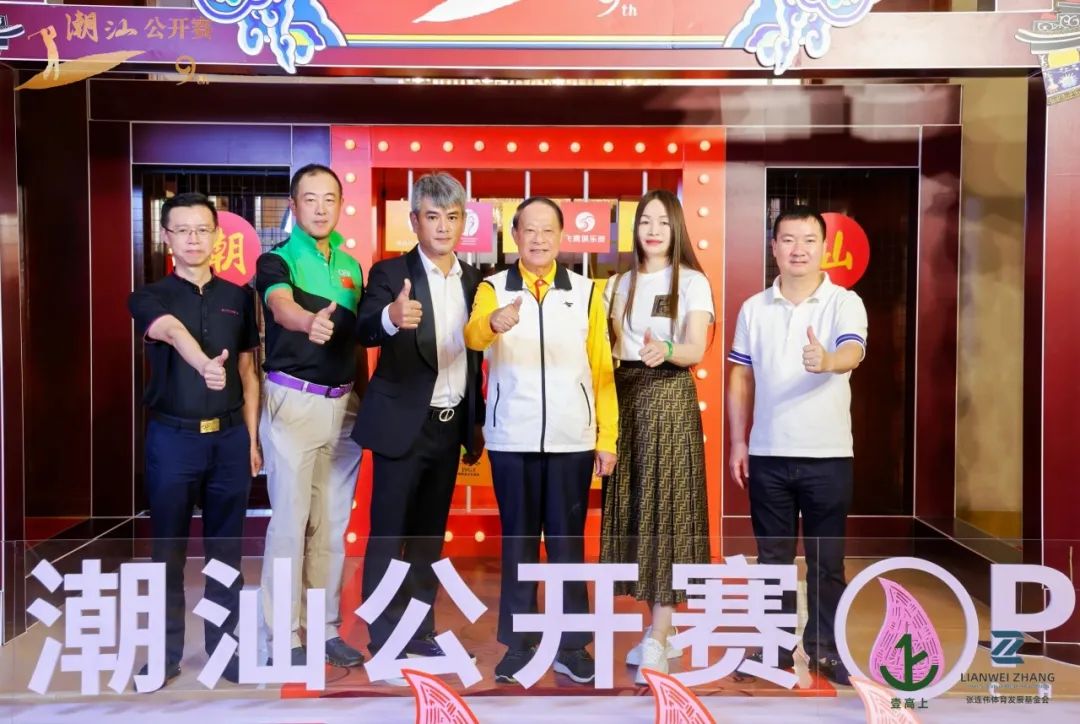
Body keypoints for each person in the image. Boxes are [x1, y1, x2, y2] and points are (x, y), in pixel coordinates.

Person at [464, 197, 618, 686]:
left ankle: (572, 645)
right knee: (519, 542)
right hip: (513, 436)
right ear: (514, 235)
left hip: (573, 439)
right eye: (529, 230)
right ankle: (520, 644)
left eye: (548, 230)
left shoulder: (586, 292)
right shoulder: (492, 288)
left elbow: (601, 368)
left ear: (561, 236)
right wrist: (492, 323)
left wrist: (607, 437)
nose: (538, 239)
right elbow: (472, 337)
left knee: (568, 543)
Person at [726, 205, 868, 685]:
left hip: (828, 455)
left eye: (809, 240)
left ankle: (826, 649)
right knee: (772, 562)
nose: (798, 249)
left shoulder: (844, 302)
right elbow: (740, 376)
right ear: (774, 248)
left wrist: (827, 360)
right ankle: (774, 649)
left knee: (827, 563)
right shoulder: (754, 308)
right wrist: (738, 442)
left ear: (824, 247)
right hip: (768, 454)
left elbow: (853, 351)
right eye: (788, 240)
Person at [352, 173, 485, 675]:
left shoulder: (476, 280)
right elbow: (364, 329)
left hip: (449, 427)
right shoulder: (390, 273)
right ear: (414, 220)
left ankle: (420, 630)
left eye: (452, 217)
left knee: (429, 538)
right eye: (432, 217)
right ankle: (384, 640)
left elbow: (477, 355)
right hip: (401, 426)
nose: (443, 227)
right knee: (389, 534)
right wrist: (391, 316)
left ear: (463, 221)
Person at [128, 192, 261, 688]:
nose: (192, 239)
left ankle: (225, 651)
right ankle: (165, 656)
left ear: (217, 236)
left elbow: (247, 373)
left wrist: (251, 439)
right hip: (172, 440)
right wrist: (203, 363)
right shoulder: (150, 296)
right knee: (167, 552)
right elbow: (169, 331)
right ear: (166, 237)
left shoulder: (239, 297)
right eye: (182, 230)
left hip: (228, 440)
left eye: (202, 229)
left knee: (226, 553)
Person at [600, 189, 713, 684]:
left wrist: (665, 349)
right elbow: (604, 347)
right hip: (623, 398)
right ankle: (658, 630)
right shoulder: (617, 283)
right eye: (646, 220)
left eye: (663, 222)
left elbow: (695, 349)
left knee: (667, 512)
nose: (653, 230)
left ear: (677, 229)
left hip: (668, 395)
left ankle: (660, 634)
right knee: (638, 511)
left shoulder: (692, 281)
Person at [256, 163, 365, 668]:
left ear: (340, 204)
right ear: (293, 206)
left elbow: (358, 343)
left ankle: (323, 628)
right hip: (293, 402)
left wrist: (364, 403)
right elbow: (281, 307)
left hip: (345, 408)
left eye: (329, 199)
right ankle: (284, 636)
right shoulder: (277, 260)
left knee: (331, 525)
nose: (321, 209)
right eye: (310, 199)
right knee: (289, 524)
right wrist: (308, 322)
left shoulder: (351, 266)